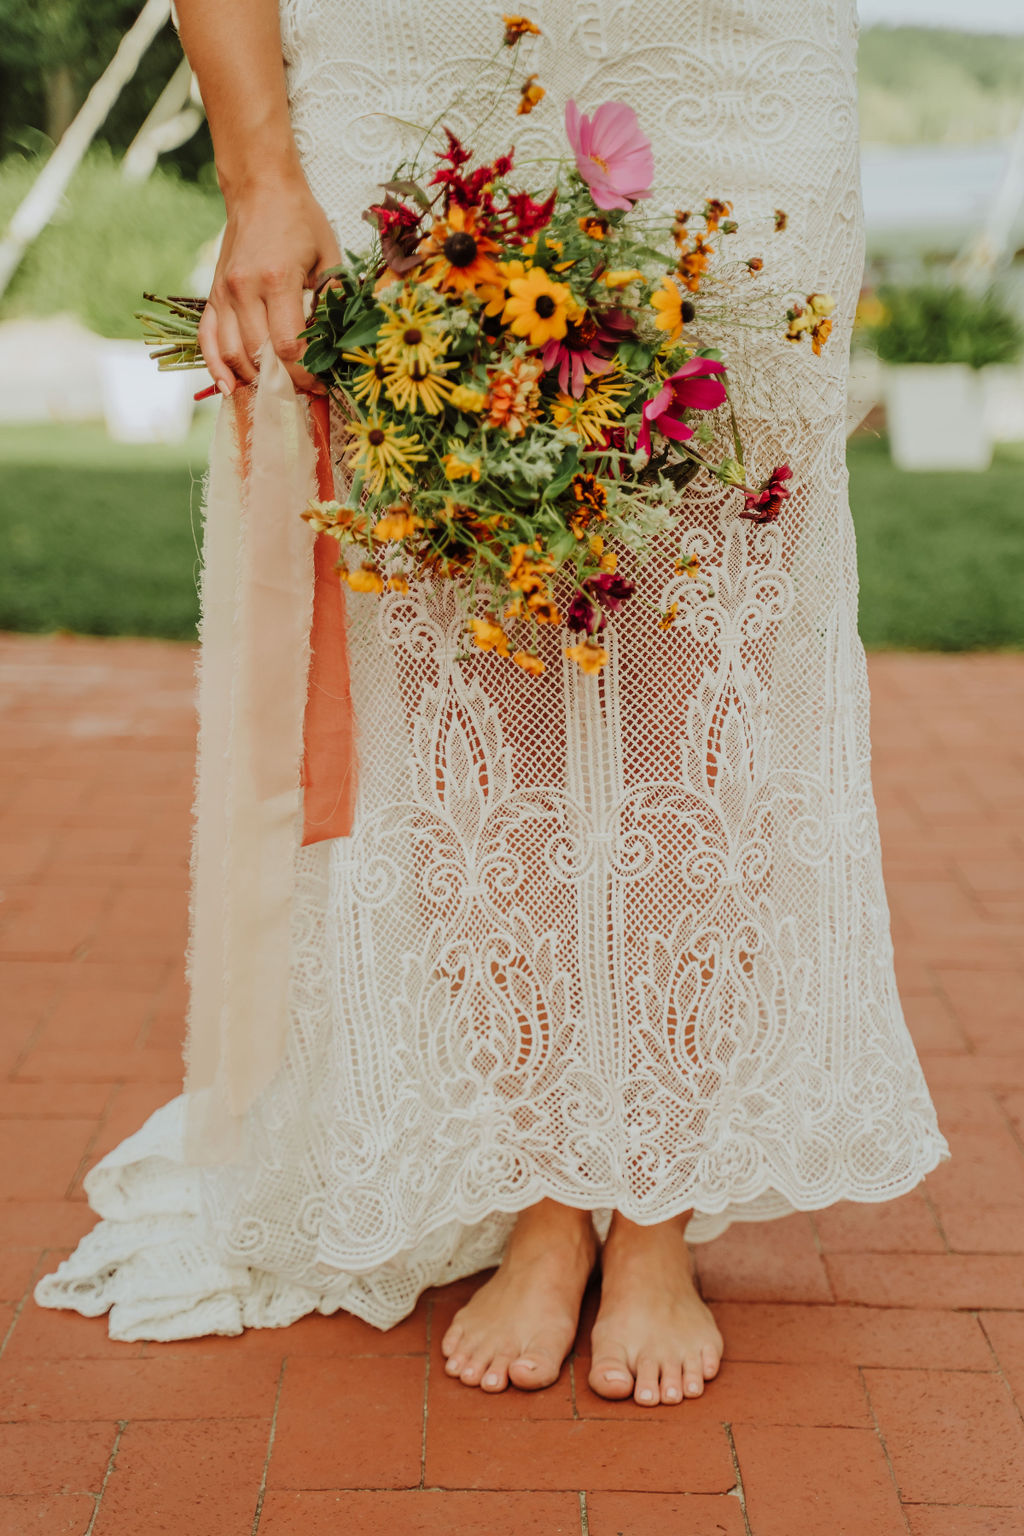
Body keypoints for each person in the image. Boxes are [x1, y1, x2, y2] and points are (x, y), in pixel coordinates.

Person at [36, 0, 949, 1407]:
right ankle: (538, 1189)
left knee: (707, 634)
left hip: (728, 63)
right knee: (466, 634)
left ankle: (653, 1213)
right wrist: (260, 174)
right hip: (421, 53)